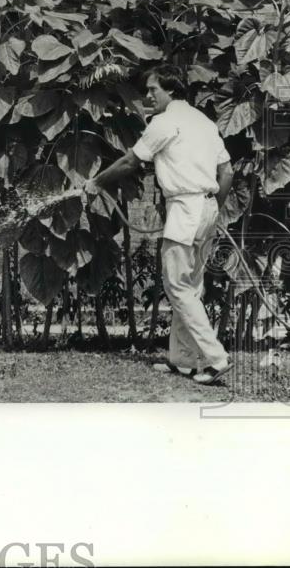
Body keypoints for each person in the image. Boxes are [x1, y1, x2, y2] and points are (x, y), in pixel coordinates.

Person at [84, 64, 234, 386]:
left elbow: (130, 161)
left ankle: (216, 358)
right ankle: (182, 361)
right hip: (206, 208)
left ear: (171, 90)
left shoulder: (164, 123)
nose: (148, 96)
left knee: (177, 286)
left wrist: (96, 182)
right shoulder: (205, 122)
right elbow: (228, 172)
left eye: (153, 90)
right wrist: (211, 209)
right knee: (190, 287)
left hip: (185, 207)